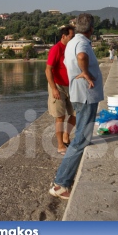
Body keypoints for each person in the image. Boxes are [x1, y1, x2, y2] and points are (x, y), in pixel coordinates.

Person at [49, 13, 104, 200]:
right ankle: (61, 184)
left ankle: (61, 181)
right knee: (80, 139)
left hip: (78, 94)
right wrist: (86, 73)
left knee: (81, 135)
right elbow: (81, 56)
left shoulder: (71, 41)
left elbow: (69, 61)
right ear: (91, 29)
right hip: (86, 95)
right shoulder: (82, 42)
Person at [45, 25, 76, 155]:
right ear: (64, 36)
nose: (73, 39)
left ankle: (66, 135)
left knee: (76, 114)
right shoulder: (56, 49)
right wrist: (53, 89)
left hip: (71, 86)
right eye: (71, 36)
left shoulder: (71, 48)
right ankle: (60, 145)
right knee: (60, 117)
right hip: (58, 86)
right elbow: (48, 70)